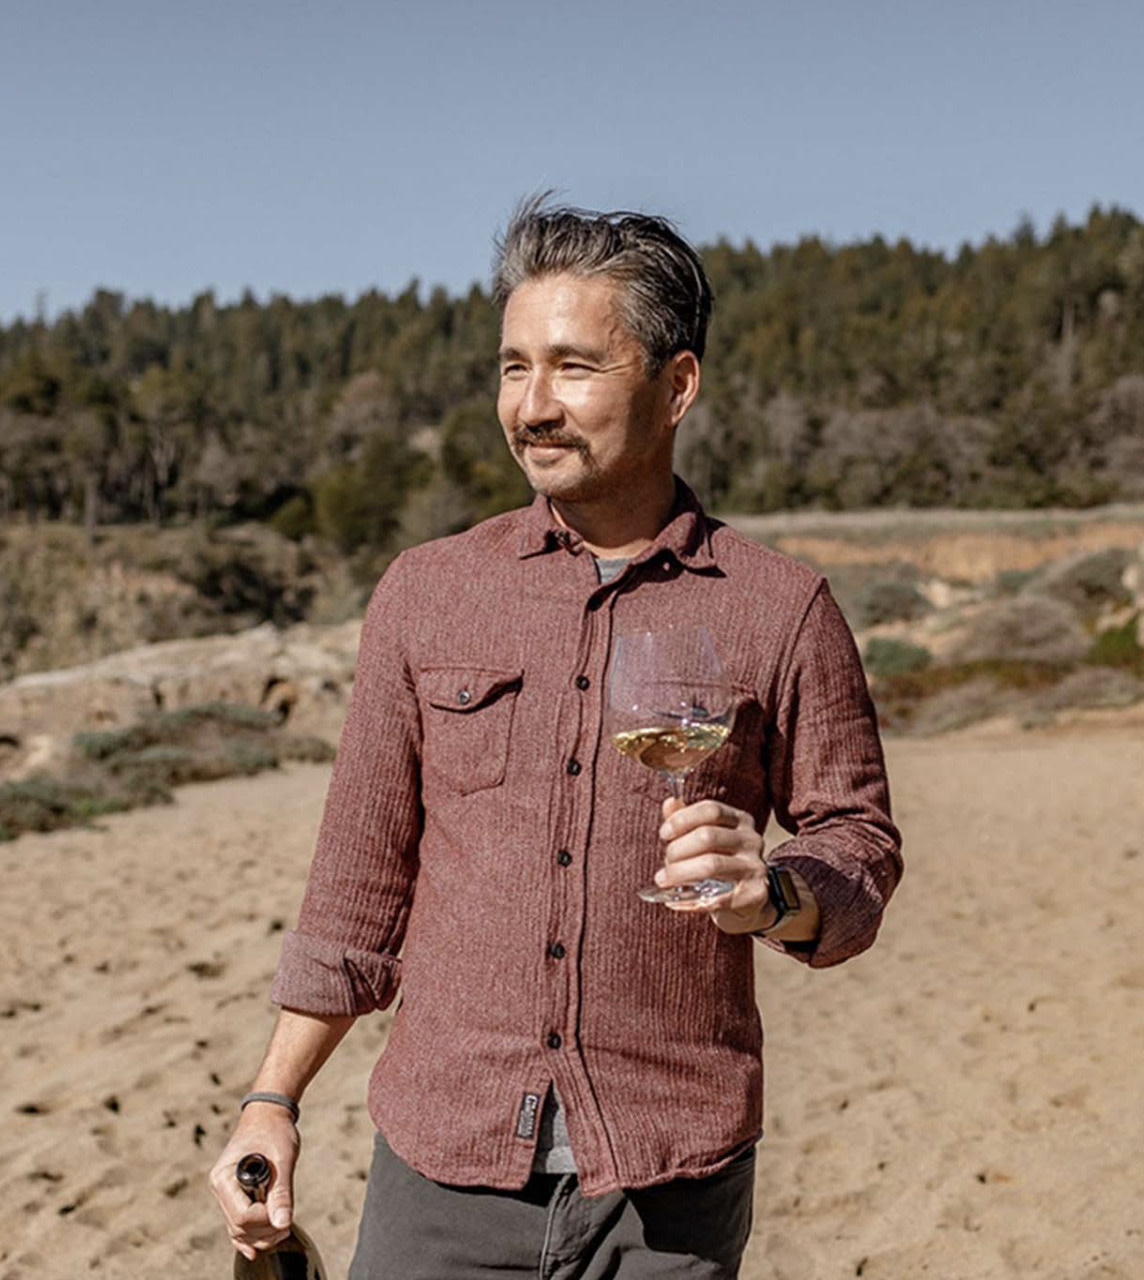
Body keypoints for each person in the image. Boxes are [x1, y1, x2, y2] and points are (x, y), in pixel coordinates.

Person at [209, 199, 903, 1278]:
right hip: (441, 1163)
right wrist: (271, 1098)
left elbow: (857, 839)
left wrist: (778, 891)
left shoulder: (782, 608)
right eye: (511, 367)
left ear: (676, 385)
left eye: (573, 367)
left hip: (673, 1177)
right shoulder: (426, 593)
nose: (532, 406)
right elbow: (357, 884)